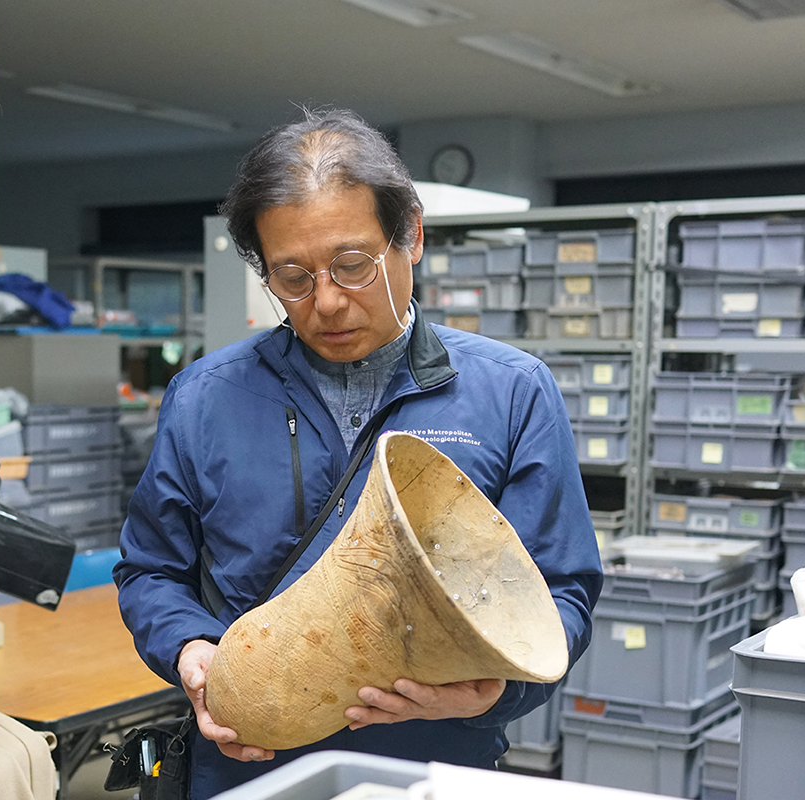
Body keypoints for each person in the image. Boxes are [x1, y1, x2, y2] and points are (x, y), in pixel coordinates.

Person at [116, 108, 603, 798]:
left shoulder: (513, 392)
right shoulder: (204, 395)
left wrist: (492, 695)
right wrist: (191, 651)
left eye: (351, 265)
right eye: (291, 277)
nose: (326, 302)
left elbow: (562, 594)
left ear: (412, 238)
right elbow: (150, 571)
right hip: (249, 764)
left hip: (432, 766)